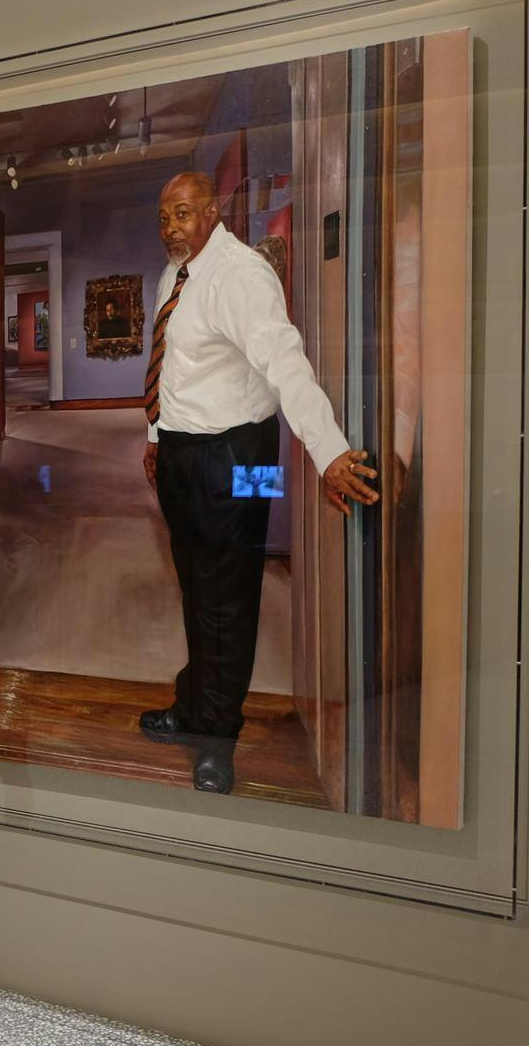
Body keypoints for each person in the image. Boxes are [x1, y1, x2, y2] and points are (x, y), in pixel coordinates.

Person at [137, 172, 379, 794]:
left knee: (231, 594)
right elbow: (173, 369)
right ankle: (194, 708)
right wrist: (156, 441)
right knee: (196, 585)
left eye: (183, 214)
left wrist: (329, 452)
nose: (170, 227)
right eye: (164, 217)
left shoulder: (242, 275)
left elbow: (285, 364)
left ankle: (217, 738)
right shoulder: (177, 272)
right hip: (186, 453)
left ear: (213, 211)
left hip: (242, 453)